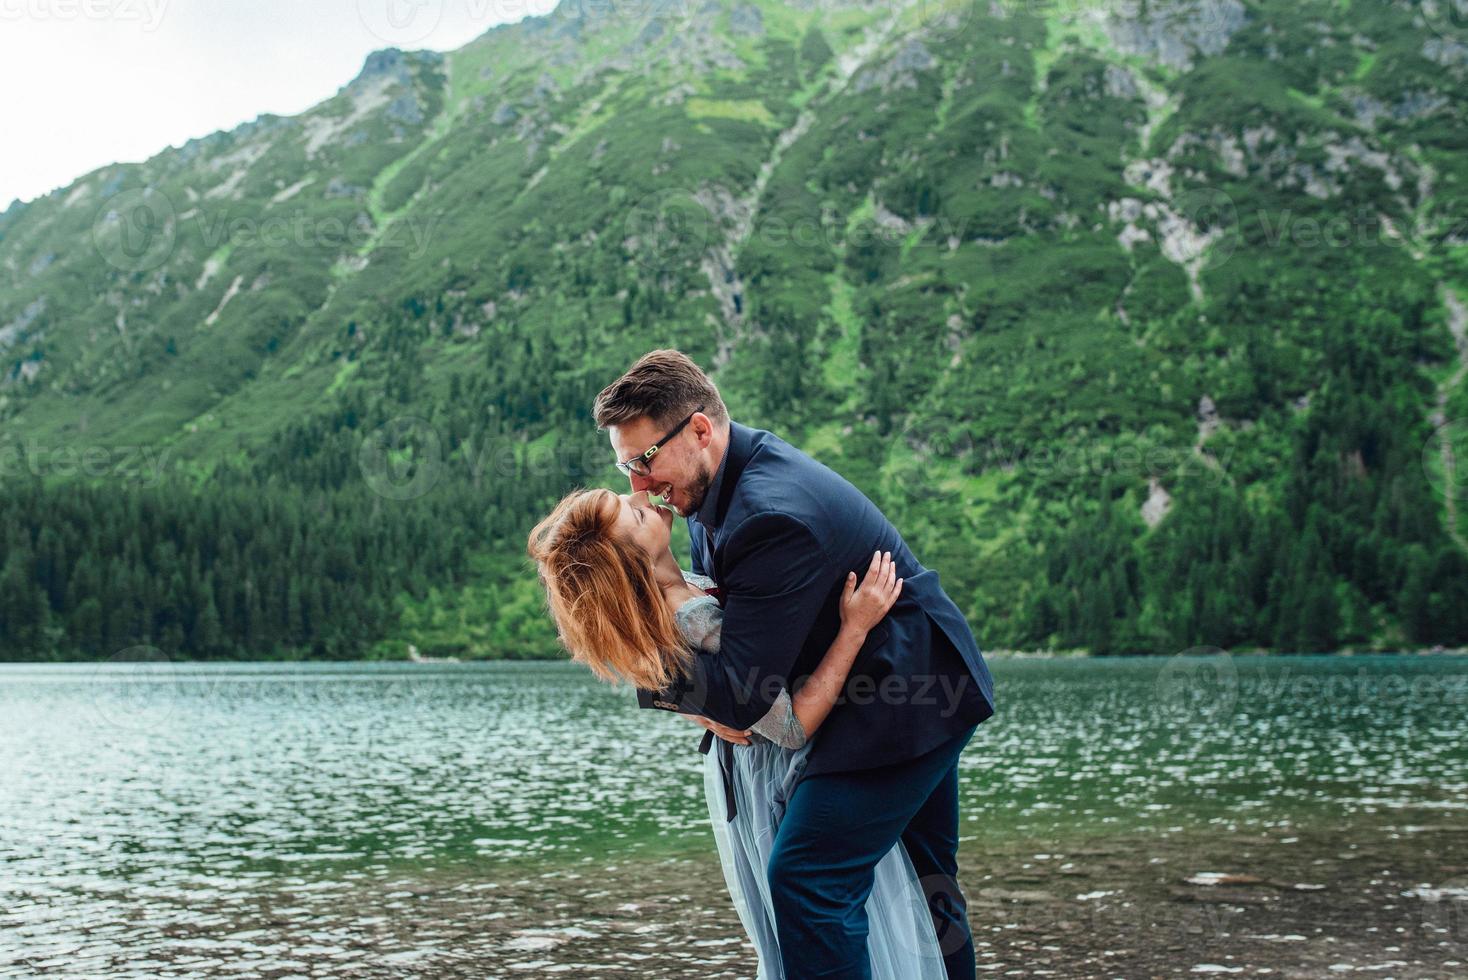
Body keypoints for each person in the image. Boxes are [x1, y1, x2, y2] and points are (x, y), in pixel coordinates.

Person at [591, 349, 995, 980]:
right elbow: (732, 670)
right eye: (626, 467)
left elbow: (743, 699)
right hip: (899, 680)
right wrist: (701, 699)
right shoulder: (707, 489)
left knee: (808, 875)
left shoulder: (768, 512)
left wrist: (697, 700)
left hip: (903, 698)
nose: (640, 485)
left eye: (645, 461)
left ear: (699, 429)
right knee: (928, 882)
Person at [528, 487, 948, 978]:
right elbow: (791, 725)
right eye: (636, 513)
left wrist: (699, 706)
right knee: (844, 911)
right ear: (633, 563)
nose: (640, 493)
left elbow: (678, 680)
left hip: (747, 768)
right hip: (773, 772)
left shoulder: (674, 593)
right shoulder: (693, 618)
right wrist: (855, 626)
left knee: (839, 914)